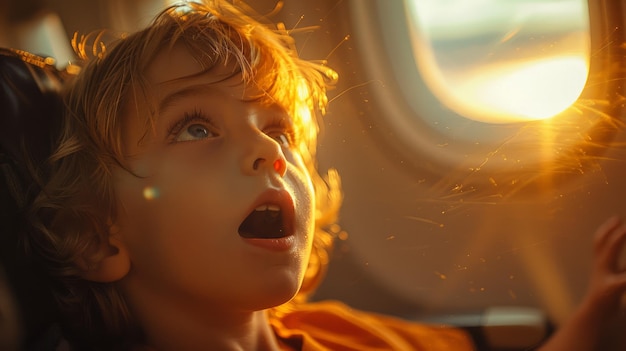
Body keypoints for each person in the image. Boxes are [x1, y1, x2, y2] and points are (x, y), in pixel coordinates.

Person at [0, 0, 624, 350]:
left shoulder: (340, 335)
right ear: (99, 238)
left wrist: (595, 309)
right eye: (196, 127)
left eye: (279, 129)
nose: (269, 151)